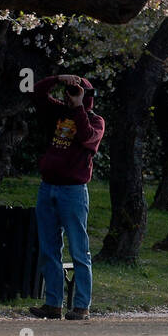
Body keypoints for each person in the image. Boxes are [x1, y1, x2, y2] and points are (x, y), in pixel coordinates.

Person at [28, 73, 105, 320]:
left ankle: (81, 305)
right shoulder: (57, 113)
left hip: (73, 191)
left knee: (79, 250)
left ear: (87, 96)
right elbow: (36, 93)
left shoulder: (96, 121)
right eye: (69, 92)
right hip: (48, 186)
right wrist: (58, 78)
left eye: (77, 91)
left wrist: (80, 107)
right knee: (49, 249)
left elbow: (85, 137)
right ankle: (53, 303)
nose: (70, 96)